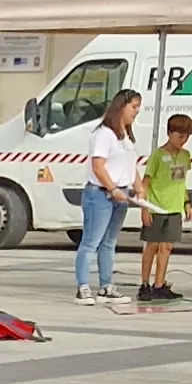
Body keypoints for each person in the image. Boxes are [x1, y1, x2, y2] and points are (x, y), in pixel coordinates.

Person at [75, 89, 141, 304]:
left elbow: (130, 164)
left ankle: (106, 286)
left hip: (121, 192)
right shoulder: (104, 133)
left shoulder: (126, 135)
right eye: (133, 107)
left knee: (109, 242)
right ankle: (83, 286)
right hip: (101, 194)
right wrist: (113, 189)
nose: (136, 111)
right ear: (121, 106)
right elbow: (98, 165)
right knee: (91, 241)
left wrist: (138, 187)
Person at [138, 112, 192, 299]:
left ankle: (159, 284)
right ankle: (145, 283)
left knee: (167, 247)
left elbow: (181, 181)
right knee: (152, 245)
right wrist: (144, 207)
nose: (183, 140)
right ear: (170, 133)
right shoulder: (157, 155)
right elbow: (146, 182)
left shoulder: (185, 156)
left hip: (174, 207)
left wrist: (187, 202)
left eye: (187, 136)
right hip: (156, 206)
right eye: (180, 136)